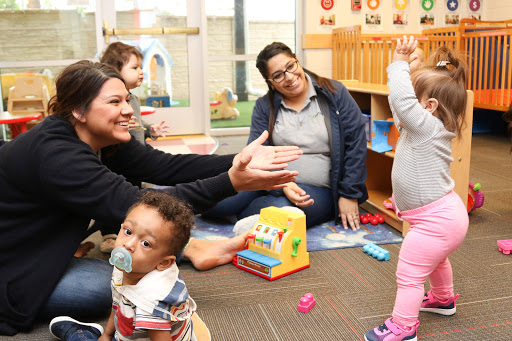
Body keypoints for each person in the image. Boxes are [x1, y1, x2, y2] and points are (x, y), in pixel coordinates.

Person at [0, 60, 303, 336]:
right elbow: (143, 208)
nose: (128, 109)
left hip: (44, 244)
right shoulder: (58, 154)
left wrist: (237, 159)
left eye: (127, 99)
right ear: (79, 110)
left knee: (131, 269)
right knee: (111, 286)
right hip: (14, 262)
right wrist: (232, 182)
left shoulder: (103, 137)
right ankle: (192, 249)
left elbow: (166, 166)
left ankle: (192, 249)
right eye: (114, 102)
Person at [364, 37, 469, 341]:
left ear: (429, 106)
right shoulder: (422, 126)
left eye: (414, 95)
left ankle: (403, 327)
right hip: (444, 216)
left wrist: (398, 64)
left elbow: (401, 103)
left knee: (409, 275)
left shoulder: (427, 127)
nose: (407, 99)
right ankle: (443, 299)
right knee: (437, 261)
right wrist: (411, 69)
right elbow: (401, 111)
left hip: (436, 222)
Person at [203, 42, 368, 230]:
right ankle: (250, 210)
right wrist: (283, 185)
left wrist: (349, 195)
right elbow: (256, 153)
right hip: (271, 182)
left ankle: (246, 213)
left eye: (290, 66)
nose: (289, 77)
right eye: (278, 76)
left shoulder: (334, 92)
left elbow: (356, 145)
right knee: (213, 201)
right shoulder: (264, 106)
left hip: (319, 189)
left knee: (283, 212)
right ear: (270, 83)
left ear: (297, 60)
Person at [50, 192, 199, 341]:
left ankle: (81, 334)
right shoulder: (127, 268)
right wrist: (107, 335)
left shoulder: (152, 303)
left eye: (145, 243)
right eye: (128, 232)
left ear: (164, 262)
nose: (128, 244)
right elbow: (118, 305)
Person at [97, 41, 172, 253]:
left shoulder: (134, 98)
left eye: (141, 67)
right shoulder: (114, 101)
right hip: (116, 159)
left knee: (134, 194)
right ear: (115, 71)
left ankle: (130, 229)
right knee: (113, 195)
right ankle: (109, 232)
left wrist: (150, 130)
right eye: (135, 68)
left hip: (137, 159)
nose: (141, 72)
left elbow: (138, 123)